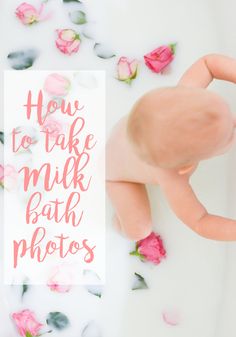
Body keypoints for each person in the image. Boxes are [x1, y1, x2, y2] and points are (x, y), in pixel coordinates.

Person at [106, 54, 236, 241]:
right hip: (118, 177)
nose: (233, 121)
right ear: (186, 166)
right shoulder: (173, 179)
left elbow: (209, 64)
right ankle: (116, 222)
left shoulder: (186, 100)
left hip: (128, 133)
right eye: (229, 136)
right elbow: (200, 221)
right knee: (138, 230)